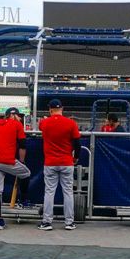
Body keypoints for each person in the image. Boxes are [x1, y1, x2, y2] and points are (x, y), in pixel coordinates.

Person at [37, 98, 81, 231]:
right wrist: (76, 158)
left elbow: (41, 126)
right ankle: (69, 222)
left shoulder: (44, 123)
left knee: (49, 192)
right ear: (62, 109)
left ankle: (47, 222)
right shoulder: (71, 123)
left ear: (50, 110)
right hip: (67, 161)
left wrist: (45, 119)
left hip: (50, 162)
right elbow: (77, 144)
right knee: (68, 192)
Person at [0, 107, 31, 230]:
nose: (21, 118)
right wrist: (22, 161)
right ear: (14, 115)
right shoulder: (17, 124)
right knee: (26, 173)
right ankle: (22, 201)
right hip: (6, 161)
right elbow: (22, 145)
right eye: (19, 116)